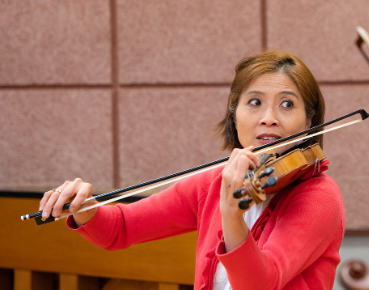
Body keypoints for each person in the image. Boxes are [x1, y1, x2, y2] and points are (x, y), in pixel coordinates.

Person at [38, 50, 345, 290]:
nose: (268, 118)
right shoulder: (213, 183)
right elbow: (121, 229)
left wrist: (231, 214)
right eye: (254, 102)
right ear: (234, 115)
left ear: (309, 122)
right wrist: (85, 207)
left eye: (287, 105)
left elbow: (261, 283)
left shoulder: (319, 198)